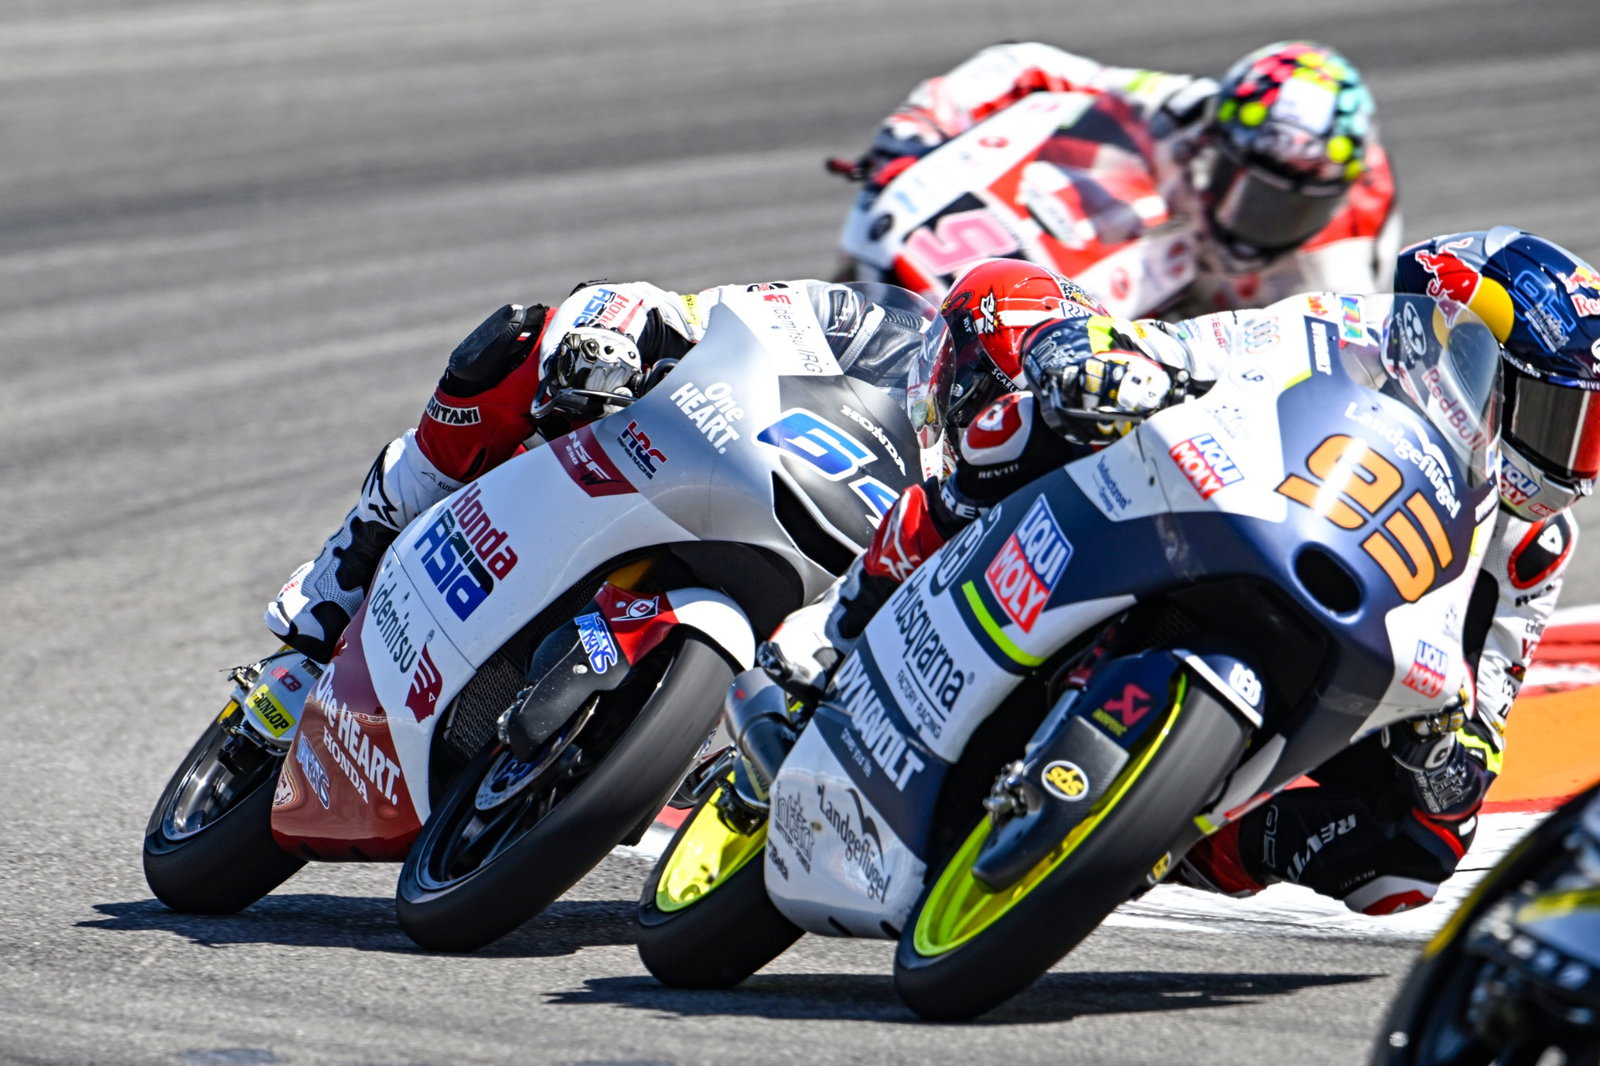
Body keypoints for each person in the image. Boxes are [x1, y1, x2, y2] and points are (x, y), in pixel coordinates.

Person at [828, 230, 1598, 916]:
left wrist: (1448, 754)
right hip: (1210, 507)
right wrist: (1088, 362)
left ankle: (1161, 840)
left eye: (1590, 435)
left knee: (1415, 857)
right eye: (1562, 420)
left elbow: (1488, 710)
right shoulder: (1344, 332)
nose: (1574, 462)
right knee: (1029, 376)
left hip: (1357, 634)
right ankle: (855, 613)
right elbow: (1187, 349)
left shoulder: (1535, 545)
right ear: (1472, 356)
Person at [265, 277, 961, 662]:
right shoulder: (873, 327)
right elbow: (698, 309)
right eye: (977, 373)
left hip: (798, 566)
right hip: (690, 454)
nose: (976, 400)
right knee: (520, 342)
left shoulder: (972, 487)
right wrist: (616, 334)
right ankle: (349, 567)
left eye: (999, 393)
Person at [843, 39, 1399, 318]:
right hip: (1151, 246)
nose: (1259, 222)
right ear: (1217, 145)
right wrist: (914, 134)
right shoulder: (1188, 110)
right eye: (1250, 190)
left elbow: (1342, 374)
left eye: (1289, 207)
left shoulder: (1339, 271)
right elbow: (1024, 66)